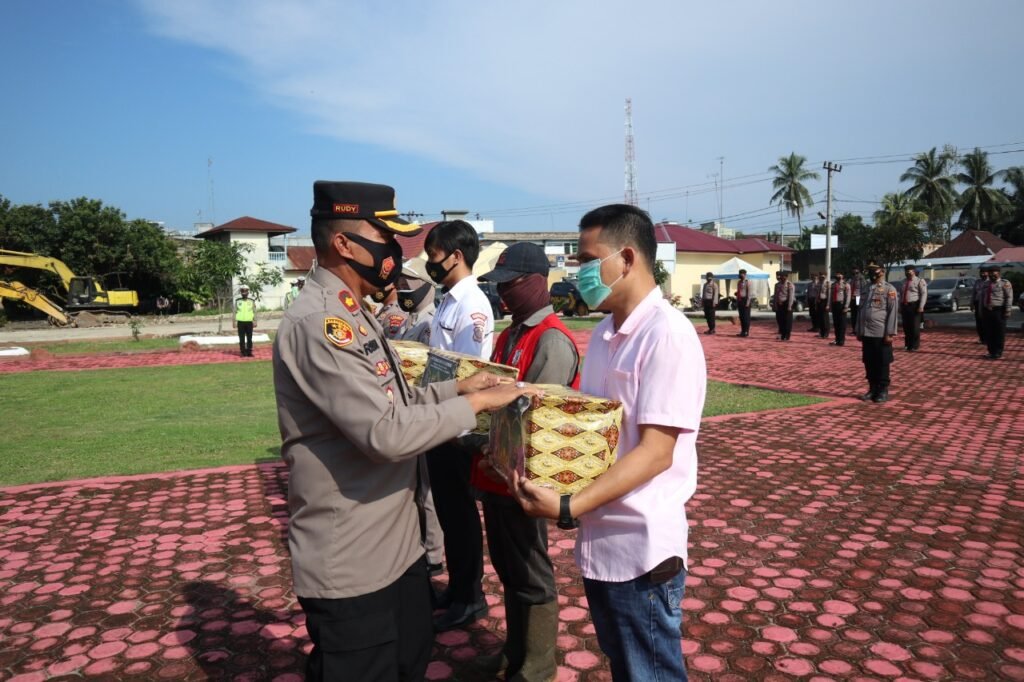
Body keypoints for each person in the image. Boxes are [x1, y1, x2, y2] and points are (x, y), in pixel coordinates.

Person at [272, 180, 535, 682]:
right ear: (345, 244)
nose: (395, 252)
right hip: (353, 561)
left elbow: (397, 399)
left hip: (396, 550)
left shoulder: (354, 312)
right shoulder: (322, 323)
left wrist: (458, 391)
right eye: (385, 237)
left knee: (409, 661)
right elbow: (384, 433)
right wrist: (476, 403)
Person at [510, 204, 706, 681]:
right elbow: (595, 426)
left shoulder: (667, 335)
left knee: (651, 674)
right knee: (626, 668)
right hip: (602, 542)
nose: (578, 273)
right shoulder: (603, 333)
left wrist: (566, 506)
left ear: (627, 258)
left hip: (642, 550)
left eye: (585, 260)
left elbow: (657, 453)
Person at [474, 242, 581, 681]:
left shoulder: (551, 339)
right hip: (498, 474)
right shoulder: (510, 332)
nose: (504, 295)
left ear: (538, 283)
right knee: (509, 567)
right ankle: (515, 650)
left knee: (532, 573)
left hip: (527, 481)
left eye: (512, 285)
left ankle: (536, 667)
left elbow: (540, 422)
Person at [423, 219, 495, 631]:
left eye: (435, 256)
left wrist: (459, 426)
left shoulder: (472, 305)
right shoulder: (448, 299)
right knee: (449, 514)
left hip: (457, 427)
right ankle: (457, 587)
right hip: (439, 419)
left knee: (461, 516)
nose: (431, 263)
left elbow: (472, 371)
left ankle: (470, 595)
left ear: (456, 255)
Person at [854, 263, 898, 403]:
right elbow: (860, 310)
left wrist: (890, 333)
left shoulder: (889, 289)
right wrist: (859, 329)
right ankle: (872, 389)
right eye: (870, 270)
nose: (872, 273)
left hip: (881, 333)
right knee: (869, 362)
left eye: (875, 270)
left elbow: (892, 312)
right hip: (867, 332)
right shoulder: (866, 288)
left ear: (882, 271)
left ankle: (882, 390)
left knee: (882, 362)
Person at [397, 258, 437, 344]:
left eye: (406, 287)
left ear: (425, 286)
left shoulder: (431, 324)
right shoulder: (408, 320)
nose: (401, 291)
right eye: (399, 287)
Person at [980, 264, 1014, 360]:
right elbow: (982, 297)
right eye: (990, 274)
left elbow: (1009, 297)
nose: (991, 276)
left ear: (999, 274)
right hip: (987, 310)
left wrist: (1008, 310)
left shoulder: (1005, 283)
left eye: (993, 274)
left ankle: (998, 352)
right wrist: (981, 310)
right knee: (989, 332)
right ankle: (991, 351)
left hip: (999, 311)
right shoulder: (986, 284)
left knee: (999, 332)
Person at [900, 265, 927, 352]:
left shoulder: (920, 281)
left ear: (914, 271)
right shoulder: (903, 282)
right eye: (906, 271)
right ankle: (908, 344)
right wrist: (900, 306)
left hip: (914, 306)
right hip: (905, 306)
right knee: (906, 326)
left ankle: (915, 345)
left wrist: (921, 306)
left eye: (910, 271)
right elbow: (901, 294)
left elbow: (924, 294)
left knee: (914, 327)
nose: (908, 272)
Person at [827, 271, 851, 346]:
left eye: (839, 274)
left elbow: (848, 296)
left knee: (842, 324)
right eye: (837, 274)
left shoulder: (846, 285)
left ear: (842, 275)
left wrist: (846, 306)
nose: (838, 275)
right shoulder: (833, 285)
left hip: (842, 305)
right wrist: (829, 305)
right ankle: (837, 339)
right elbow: (830, 296)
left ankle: (841, 340)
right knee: (836, 323)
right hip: (835, 305)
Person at [233, 285, 256, 357]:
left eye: (246, 291)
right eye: (242, 291)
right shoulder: (237, 301)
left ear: (248, 292)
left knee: (249, 338)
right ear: (241, 292)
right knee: (241, 338)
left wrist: (255, 321)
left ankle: (249, 352)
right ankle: (242, 352)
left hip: (249, 322)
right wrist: (234, 321)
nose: (244, 293)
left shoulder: (251, 301)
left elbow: (254, 311)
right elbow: (234, 312)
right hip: (240, 322)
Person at [772, 270, 796, 341]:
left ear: (786, 277)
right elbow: (775, 295)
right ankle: (782, 334)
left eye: (784, 276)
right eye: (781, 276)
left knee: (787, 321)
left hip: (786, 304)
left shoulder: (789, 285)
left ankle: (787, 335)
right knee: (780, 320)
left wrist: (789, 306)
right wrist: (774, 304)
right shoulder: (777, 285)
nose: (782, 278)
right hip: (779, 304)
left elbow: (791, 296)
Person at [971, 266, 990, 344]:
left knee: (986, 322)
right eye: (981, 272)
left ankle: (987, 338)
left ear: (988, 273)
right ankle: (981, 338)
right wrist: (971, 303)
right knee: (979, 322)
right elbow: (973, 293)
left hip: (986, 304)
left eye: (984, 272)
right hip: (977, 303)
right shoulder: (977, 282)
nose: (982, 274)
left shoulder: (990, 282)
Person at [735, 268, 752, 337]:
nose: (740, 275)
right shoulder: (739, 282)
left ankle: (746, 332)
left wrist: (747, 302)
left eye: (742, 274)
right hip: (740, 300)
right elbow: (739, 291)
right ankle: (742, 331)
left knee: (746, 317)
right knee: (741, 317)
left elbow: (749, 293)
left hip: (745, 300)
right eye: (740, 273)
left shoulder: (748, 282)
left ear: (745, 275)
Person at [816, 272, 831, 339]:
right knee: (820, 318)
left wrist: (828, 304)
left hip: (824, 301)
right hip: (819, 301)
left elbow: (829, 295)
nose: (821, 277)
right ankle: (821, 332)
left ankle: (826, 332)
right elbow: (817, 293)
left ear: (825, 276)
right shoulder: (818, 283)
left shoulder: (827, 283)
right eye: (820, 275)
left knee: (825, 318)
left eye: (823, 276)